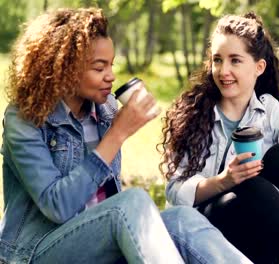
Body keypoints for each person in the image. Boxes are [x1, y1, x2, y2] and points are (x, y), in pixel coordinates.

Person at [0, 8, 252, 264]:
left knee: (182, 218)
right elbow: (57, 205)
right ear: (64, 68)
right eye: (99, 68)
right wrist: (117, 134)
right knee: (130, 201)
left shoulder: (105, 108)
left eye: (111, 65)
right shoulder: (24, 119)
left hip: (99, 238)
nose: (111, 76)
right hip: (37, 251)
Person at [161, 12, 279, 264]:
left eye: (235, 60)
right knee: (250, 184)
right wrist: (224, 181)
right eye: (217, 60)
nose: (223, 70)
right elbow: (175, 190)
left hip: (259, 231)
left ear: (259, 67)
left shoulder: (268, 109)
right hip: (207, 232)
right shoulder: (193, 115)